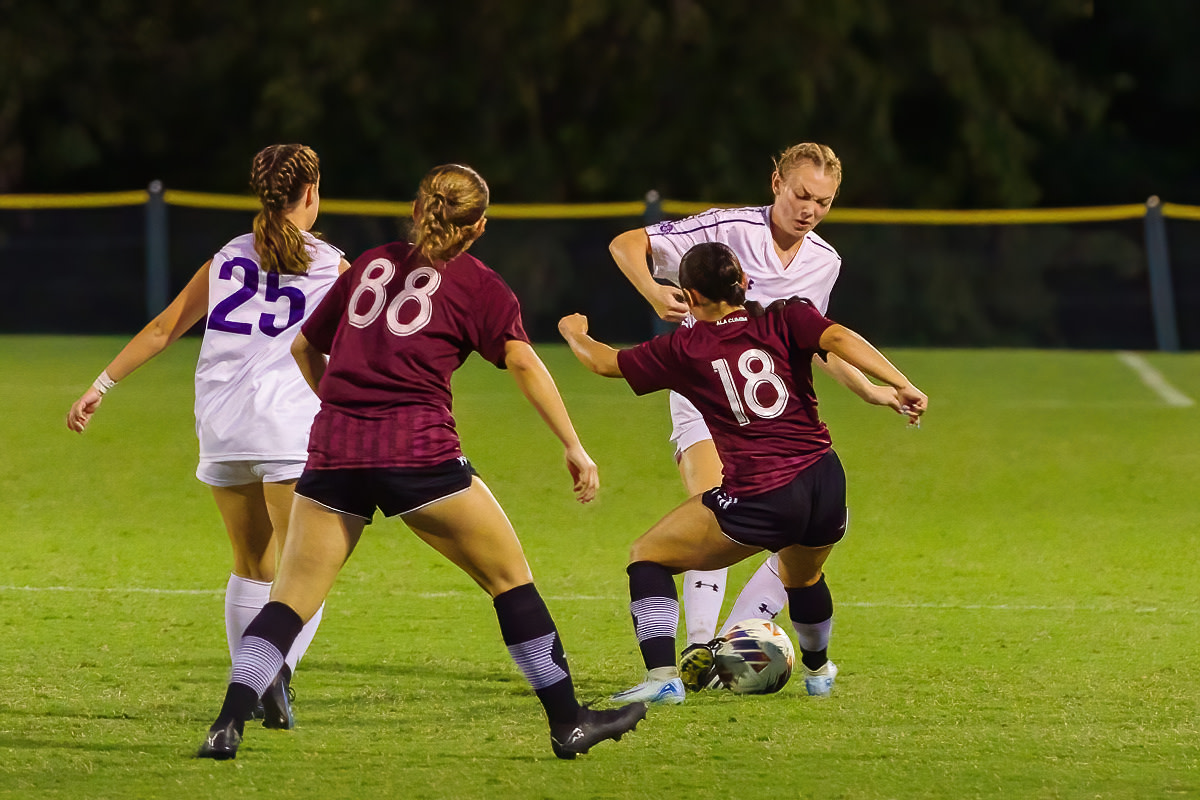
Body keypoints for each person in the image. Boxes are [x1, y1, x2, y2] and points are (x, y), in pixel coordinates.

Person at [196, 163, 647, 761]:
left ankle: (226, 725)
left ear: (416, 210)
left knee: (290, 597)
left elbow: (306, 344)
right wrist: (573, 445)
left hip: (336, 452)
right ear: (479, 225)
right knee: (510, 581)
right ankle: (568, 721)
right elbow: (522, 363)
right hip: (419, 454)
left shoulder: (369, 263)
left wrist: (334, 399)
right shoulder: (480, 285)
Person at [559, 241, 926, 704]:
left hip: (763, 494)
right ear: (745, 284)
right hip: (824, 478)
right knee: (803, 577)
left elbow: (601, 361)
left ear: (690, 298)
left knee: (647, 556)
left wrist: (572, 330)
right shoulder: (787, 316)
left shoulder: (685, 348)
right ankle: (818, 672)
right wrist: (899, 383)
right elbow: (838, 339)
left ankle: (662, 679)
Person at [67, 143, 350, 728]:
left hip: (223, 427)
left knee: (250, 563)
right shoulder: (329, 265)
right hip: (290, 429)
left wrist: (101, 385)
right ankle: (273, 676)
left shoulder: (226, 257)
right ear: (312, 196)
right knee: (305, 568)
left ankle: (252, 677)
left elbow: (164, 327)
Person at [609, 142, 905, 690]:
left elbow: (822, 342)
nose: (809, 209)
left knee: (793, 541)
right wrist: (654, 291)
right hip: (705, 399)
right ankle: (699, 651)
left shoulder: (824, 260)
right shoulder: (728, 229)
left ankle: (729, 647)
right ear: (776, 183)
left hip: (776, 416)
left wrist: (870, 391)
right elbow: (626, 243)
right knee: (712, 507)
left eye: (823, 200)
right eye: (800, 194)